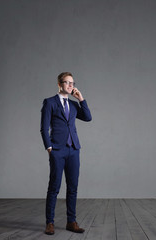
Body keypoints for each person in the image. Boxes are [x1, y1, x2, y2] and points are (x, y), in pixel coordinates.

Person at [40, 72, 92, 235]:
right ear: (59, 84)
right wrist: (49, 148)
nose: (70, 85)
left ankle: (71, 221)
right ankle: (50, 223)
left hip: (73, 150)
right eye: (67, 82)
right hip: (57, 150)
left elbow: (88, 117)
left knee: (73, 187)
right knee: (54, 187)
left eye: (72, 83)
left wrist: (81, 99)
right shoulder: (50, 102)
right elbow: (44, 128)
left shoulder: (74, 105)